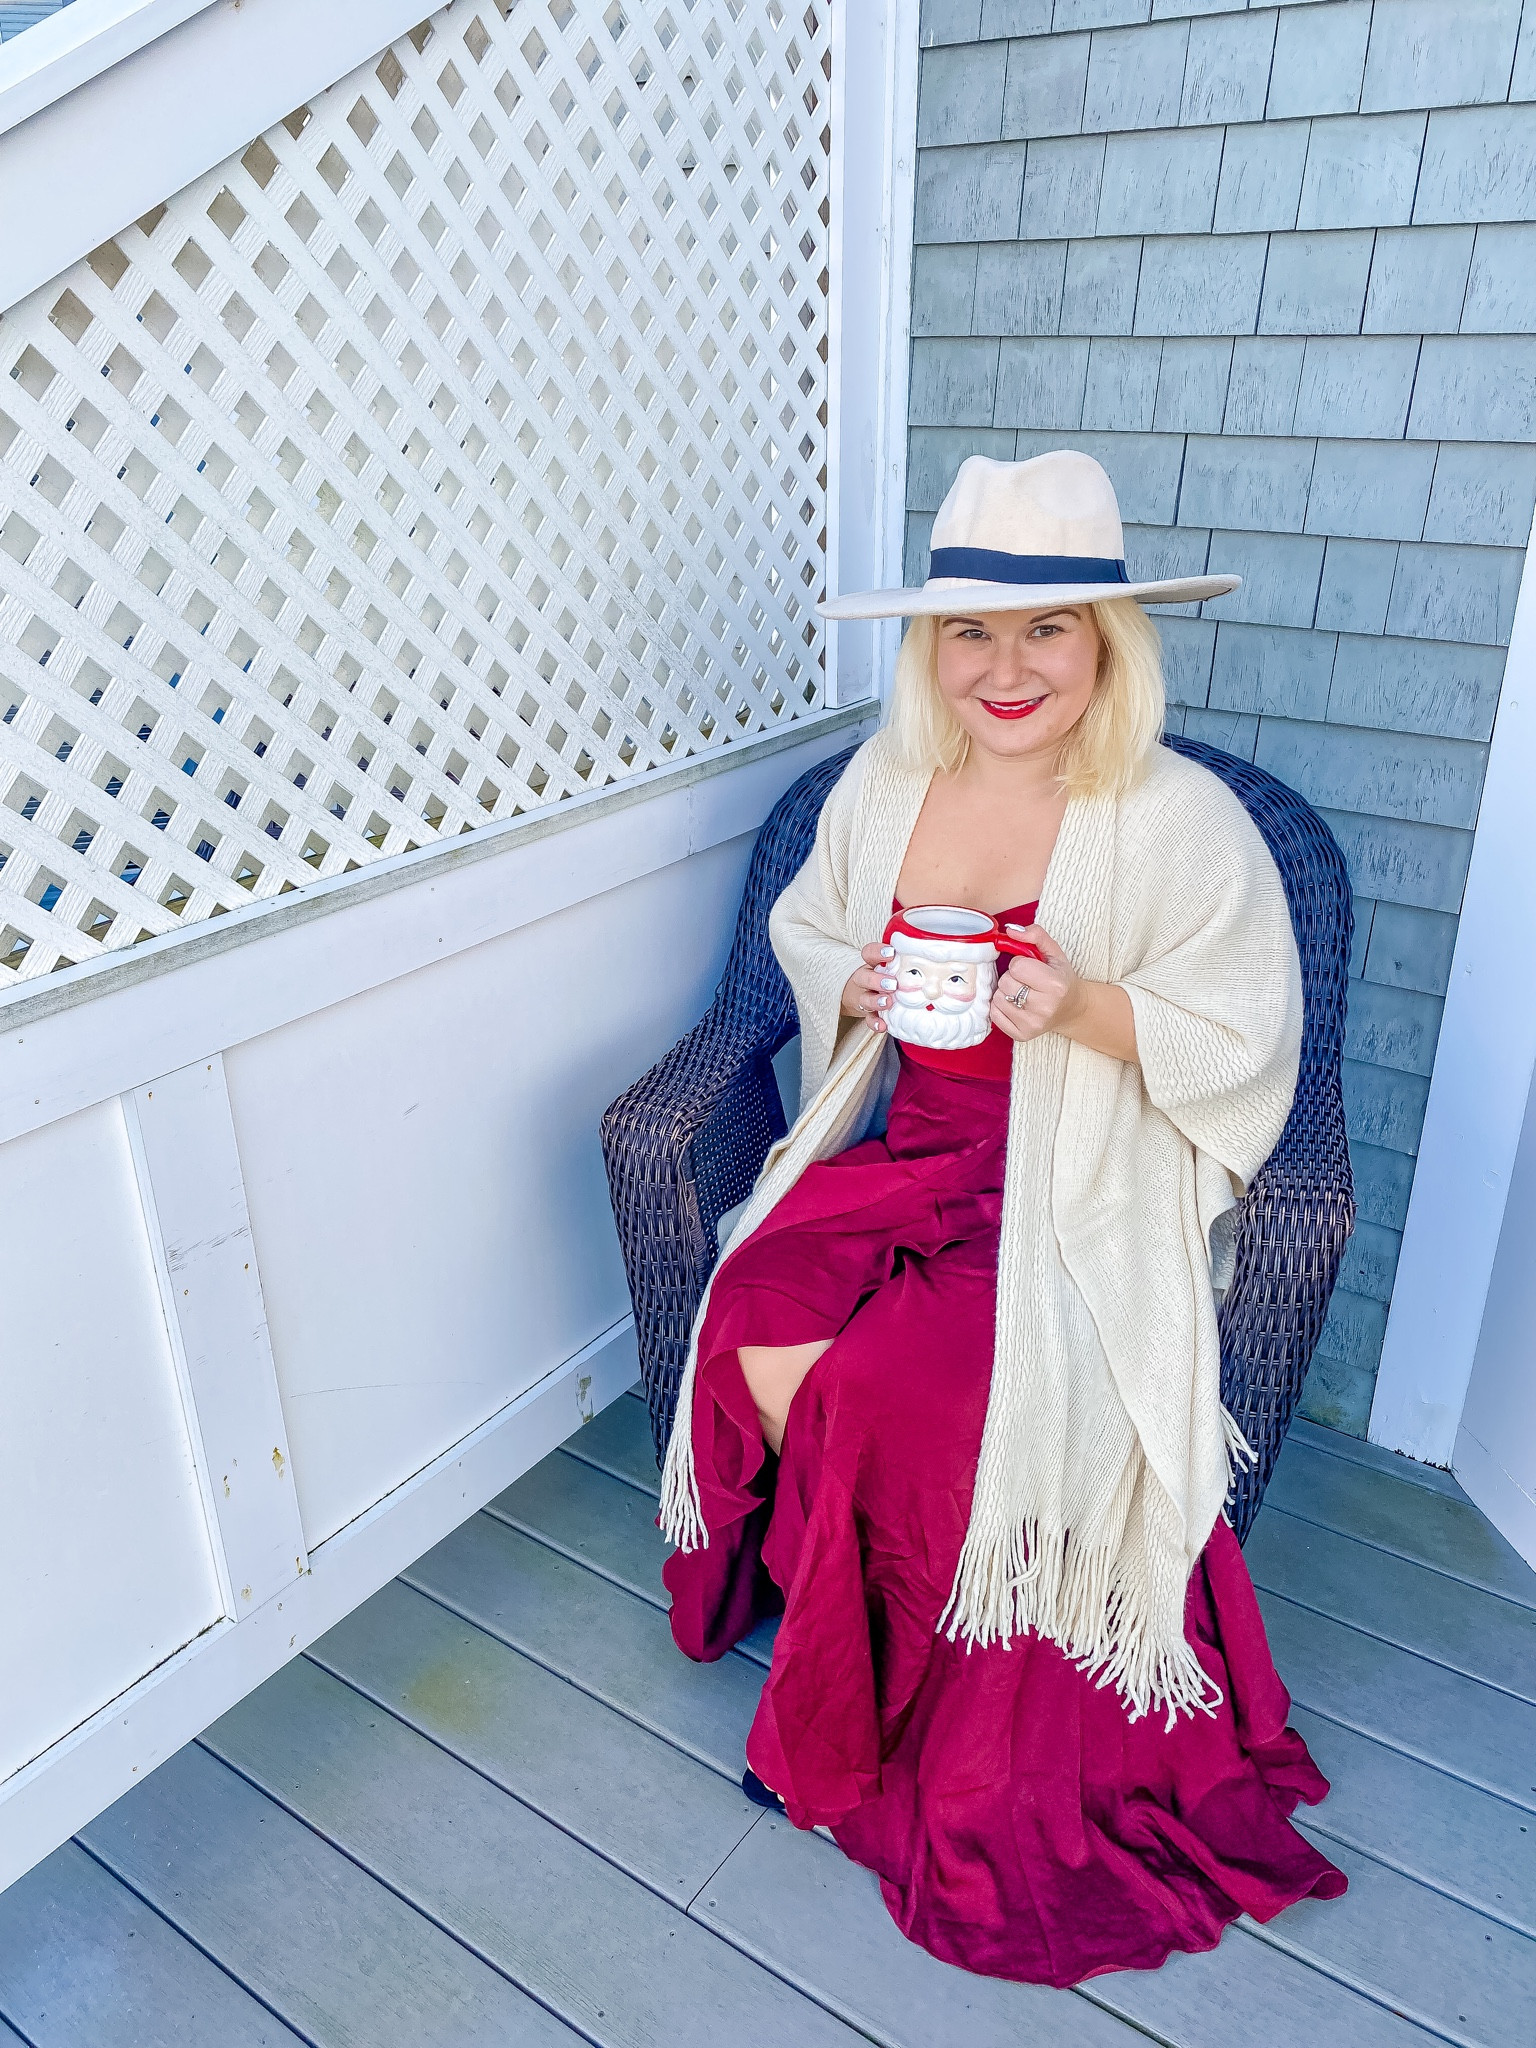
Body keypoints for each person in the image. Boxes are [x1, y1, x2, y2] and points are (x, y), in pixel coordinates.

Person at [659, 451, 1347, 1985]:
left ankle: (867, 1724)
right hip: (912, 1152)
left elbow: (1249, 1033)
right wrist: (850, 981)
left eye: (1048, 630)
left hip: (1075, 1181)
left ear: (1108, 643)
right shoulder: (885, 784)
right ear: (932, 648)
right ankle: (852, 1655)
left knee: (898, 1397)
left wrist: (1088, 1009)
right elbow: (810, 924)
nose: (1008, 666)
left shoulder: (1180, 819)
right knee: (756, 1317)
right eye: (971, 630)